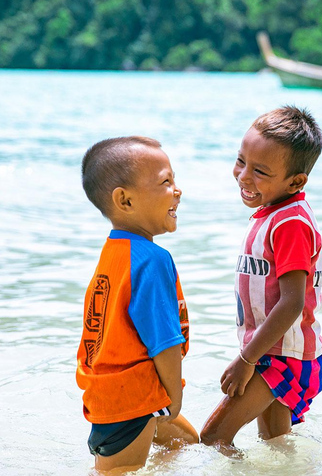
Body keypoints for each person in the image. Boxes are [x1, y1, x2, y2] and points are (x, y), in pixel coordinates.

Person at [200, 106, 322, 454]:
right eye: (241, 161)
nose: (243, 176)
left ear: (296, 182)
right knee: (275, 444)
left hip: (280, 356)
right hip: (273, 352)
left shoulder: (291, 223)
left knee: (212, 438)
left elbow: (292, 302)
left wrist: (246, 360)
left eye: (260, 171)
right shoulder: (273, 213)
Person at [76, 136, 198, 473]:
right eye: (165, 181)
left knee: (186, 443)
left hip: (111, 390)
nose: (178, 190)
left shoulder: (115, 251)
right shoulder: (153, 260)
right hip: (130, 400)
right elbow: (165, 341)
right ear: (124, 200)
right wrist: (174, 397)